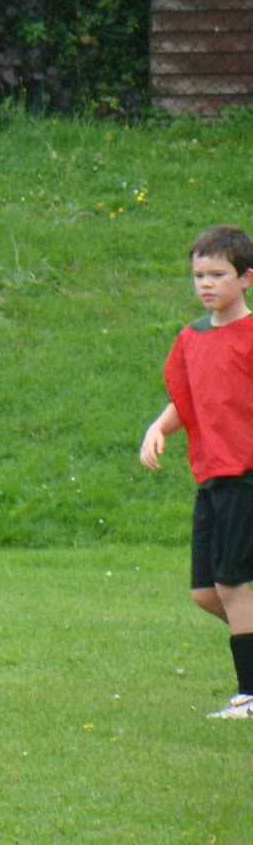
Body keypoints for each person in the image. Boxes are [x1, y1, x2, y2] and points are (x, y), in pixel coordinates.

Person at [140, 224, 253, 720]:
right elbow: (187, 399)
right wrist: (158, 427)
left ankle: (249, 695)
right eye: (199, 275)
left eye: (219, 274)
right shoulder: (190, 338)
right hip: (211, 478)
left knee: (233, 585)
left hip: (245, 476)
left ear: (246, 278)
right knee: (206, 593)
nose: (206, 284)